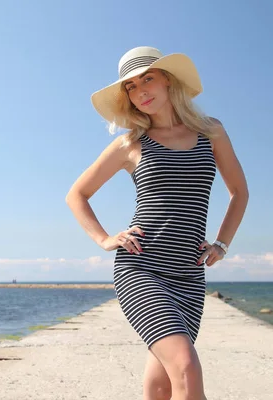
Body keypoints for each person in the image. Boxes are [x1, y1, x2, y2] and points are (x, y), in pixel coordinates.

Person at [65, 46, 248, 400]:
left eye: (147, 79)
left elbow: (239, 192)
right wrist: (105, 239)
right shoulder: (129, 144)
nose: (140, 91)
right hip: (141, 268)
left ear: (168, 81)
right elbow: (77, 194)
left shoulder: (211, 131)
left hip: (189, 274)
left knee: (162, 383)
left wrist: (221, 244)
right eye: (131, 87)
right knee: (186, 368)